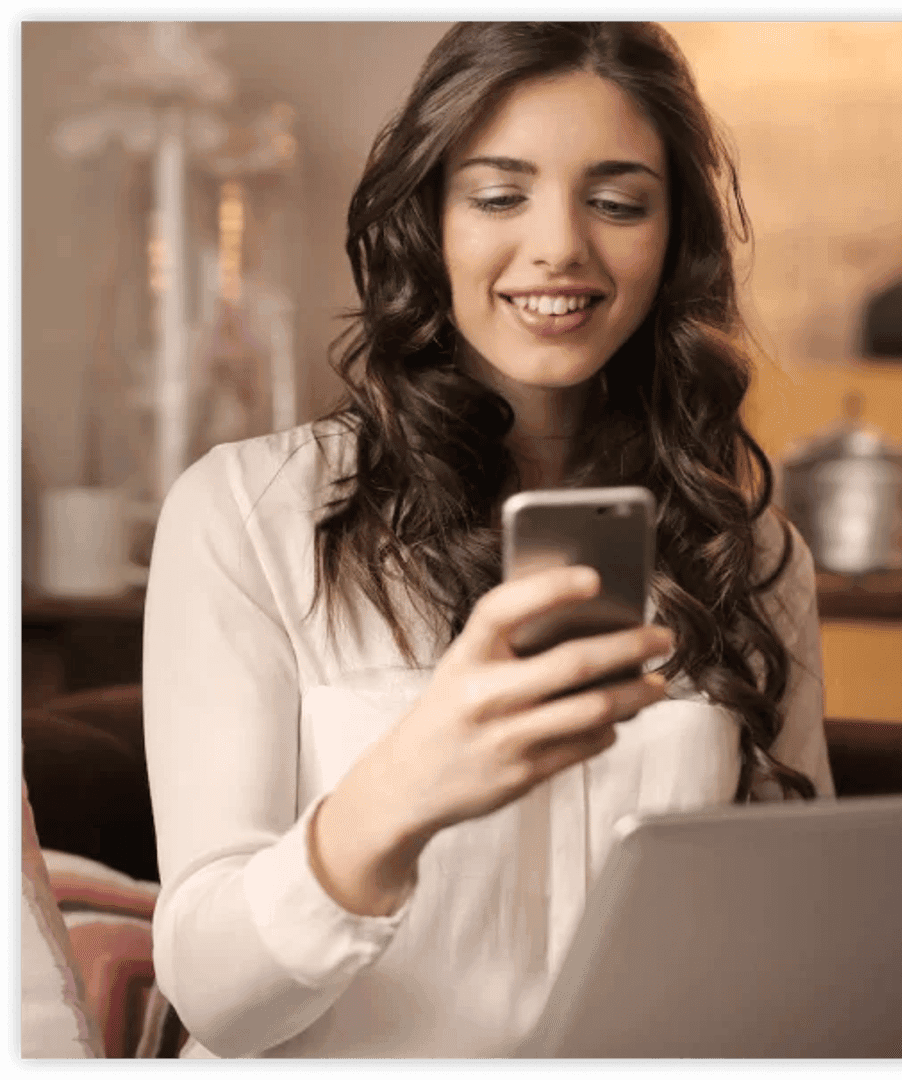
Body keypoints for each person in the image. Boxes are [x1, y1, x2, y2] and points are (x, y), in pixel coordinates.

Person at [143, 20, 834, 1060]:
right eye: (498, 194)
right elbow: (215, 1000)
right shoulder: (249, 513)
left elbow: (801, 937)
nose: (559, 245)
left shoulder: (752, 555)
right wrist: (401, 791)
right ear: (428, 221)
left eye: (616, 201)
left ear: (671, 236)